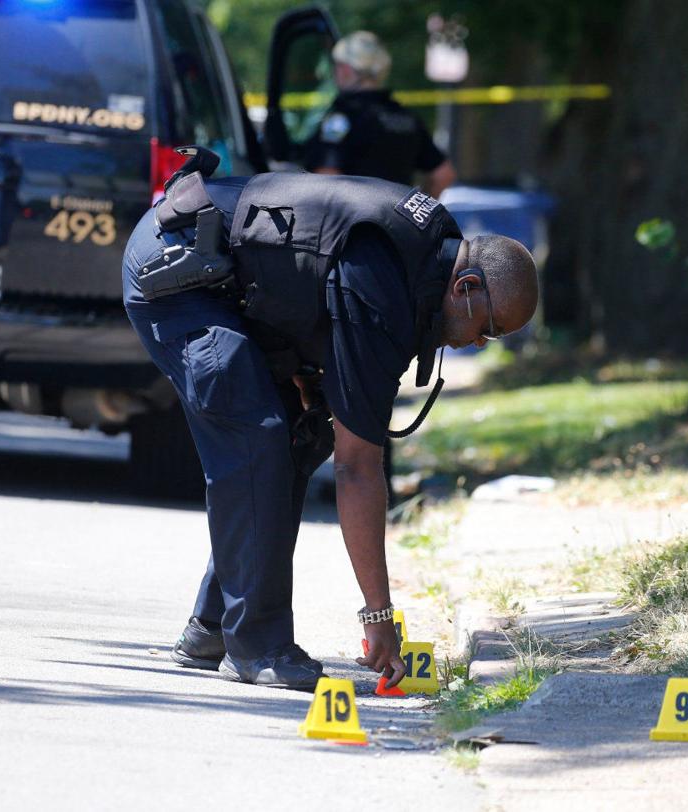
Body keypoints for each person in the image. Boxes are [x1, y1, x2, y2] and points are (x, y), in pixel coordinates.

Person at [122, 147, 537, 690]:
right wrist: (378, 616)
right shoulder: (387, 284)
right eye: (489, 328)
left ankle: (213, 625)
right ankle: (257, 646)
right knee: (258, 437)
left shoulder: (428, 262)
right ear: (466, 287)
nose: (480, 343)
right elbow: (357, 469)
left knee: (300, 436)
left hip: (229, 282)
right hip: (176, 270)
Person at [304, 30, 456, 197]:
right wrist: (417, 210)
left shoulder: (342, 118)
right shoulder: (407, 118)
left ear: (345, 69)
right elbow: (443, 175)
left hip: (355, 213)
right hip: (398, 213)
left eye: (338, 66)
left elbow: (326, 175)